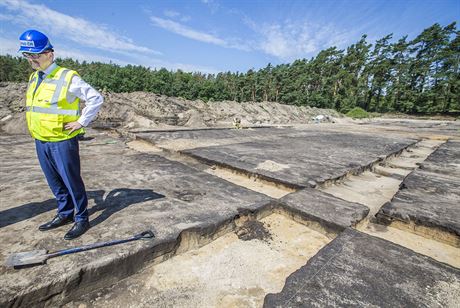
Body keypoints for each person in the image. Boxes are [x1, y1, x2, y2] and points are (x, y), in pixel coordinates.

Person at [19, 29, 104, 240]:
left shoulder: (68, 77)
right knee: (55, 182)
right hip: (41, 139)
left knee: (71, 181)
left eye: (35, 56)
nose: (32, 60)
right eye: (28, 56)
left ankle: (81, 218)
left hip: (62, 141)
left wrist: (81, 122)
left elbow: (95, 98)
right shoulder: (34, 77)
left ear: (49, 54)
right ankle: (64, 213)